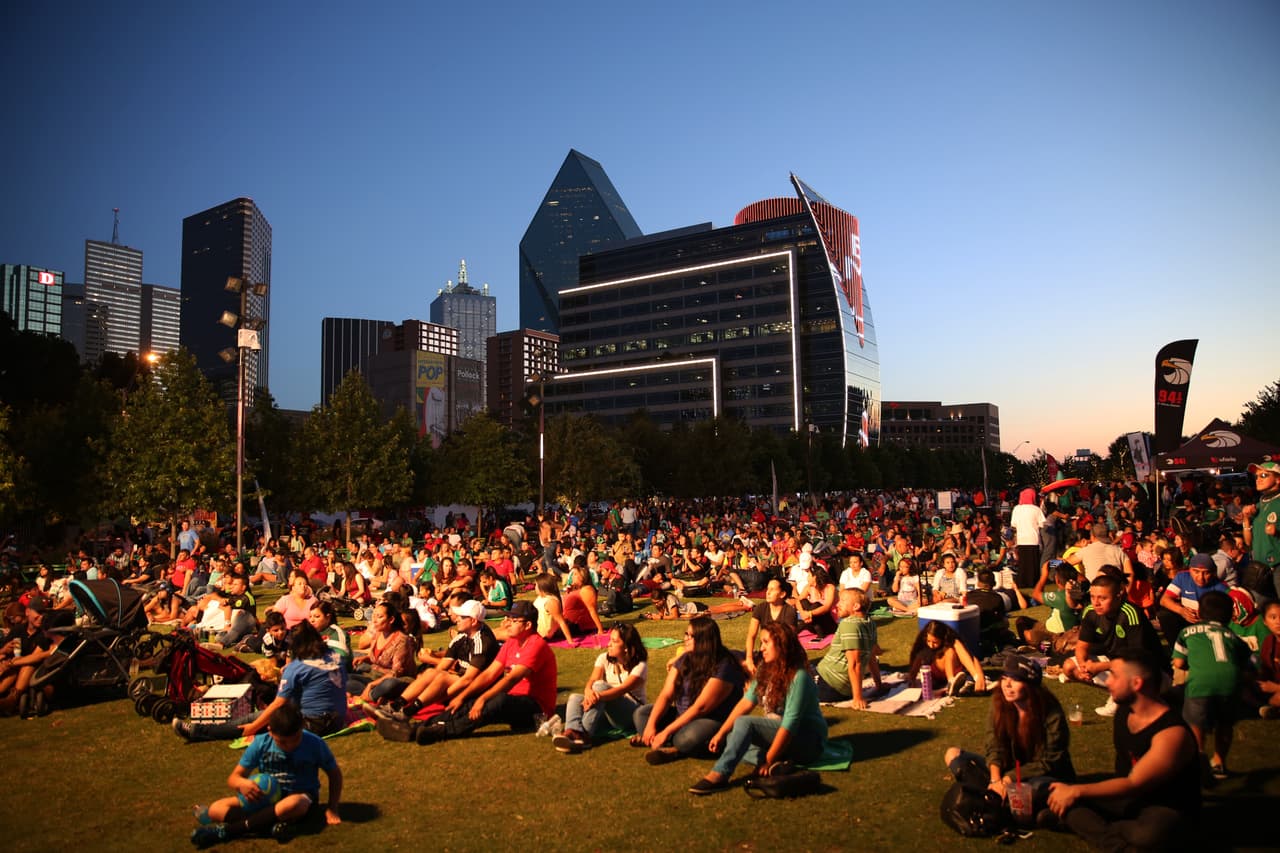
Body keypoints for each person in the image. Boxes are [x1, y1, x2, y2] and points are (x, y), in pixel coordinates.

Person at [1047, 650, 1200, 851]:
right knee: (1058, 805)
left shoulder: (1171, 733)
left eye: (1115, 676)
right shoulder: (1125, 712)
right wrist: (1073, 792)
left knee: (1148, 834)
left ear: (1136, 683)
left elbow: (1134, 783)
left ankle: (1112, 836)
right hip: (1126, 798)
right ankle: (1116, 835)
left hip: (1164, 806)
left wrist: (1077, 790)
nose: (1108, 682)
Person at [690, 621, 827, 794]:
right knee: (733, 737)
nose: (761, 648)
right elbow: (746, 703)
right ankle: (783, 762)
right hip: (782, 733)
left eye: (765, 642)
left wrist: (767, 759)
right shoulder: (766, 670)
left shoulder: (799, 676)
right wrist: (721, 733)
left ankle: (719, 774)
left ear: (781, 643)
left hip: (808, 740)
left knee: (744, 725)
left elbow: (790, 725)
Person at [189, 703, 342, 847]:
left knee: (294, 805)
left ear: (302, 727)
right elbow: (234, 778)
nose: (289, 746)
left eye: (295, 739)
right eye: (282, 742)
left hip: (300, 798)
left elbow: (334, 774)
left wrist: (332, 808)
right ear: (270, 731)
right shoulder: (261, 743)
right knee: (216, 808)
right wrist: (243, 784)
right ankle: (272, 825)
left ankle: (227, 831)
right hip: (264, 800)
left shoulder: (314, 743)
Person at [944, 654, 1075, 821]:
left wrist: (1007, 780)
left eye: (1015, 680)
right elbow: (994, 745)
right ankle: (997, 798)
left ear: (1030, 685)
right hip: (1007, 772)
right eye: (1004, 678)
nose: (1007, 685)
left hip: (1042, 776)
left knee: (1030, 792)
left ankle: (996, 802)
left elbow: (1049, 761)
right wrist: (995, 779)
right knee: (953, 755)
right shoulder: (1000, 703)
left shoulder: (1049, 711)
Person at [175, 621, 349, 743]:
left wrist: (252, 727)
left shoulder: (297, 668)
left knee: (255, 718)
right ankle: (201, 728)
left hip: (313, 723)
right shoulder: (335, 657)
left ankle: (198, 731)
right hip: (337, 718)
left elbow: (278, 704)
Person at [415, 599, 557, 743]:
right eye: (508, 618)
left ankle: (444, 731)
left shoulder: (536, 646)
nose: (507, 623)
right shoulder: (512, 642)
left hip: (537, 709)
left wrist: (483, 699)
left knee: (498, 700)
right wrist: (462, 697)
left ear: (527, 625)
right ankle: (421, 727)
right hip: (513, 699)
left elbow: (511, 679)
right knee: (469, 702)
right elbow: (489, 674)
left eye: (514, 620)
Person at [634, 615, 746, 764]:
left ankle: (676, 748)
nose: (685, 638)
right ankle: (668, 741)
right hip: (681, 716)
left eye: (690, 635)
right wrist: (650, 725)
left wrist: (667, 731)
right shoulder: (684, 659)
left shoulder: (724, 666)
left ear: (703, 640)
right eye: (686, 634)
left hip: (710, 720)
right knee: (641, 714)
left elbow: (701, 708)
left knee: (687, 738)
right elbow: (666, 695)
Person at [1171, 590, 1251, 780]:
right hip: (1230, 682)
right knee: (1225, 724)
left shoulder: (1187, 632)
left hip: (1200, 682)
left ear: (1200, 612)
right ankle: (1219, 763)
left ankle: (1199, 758)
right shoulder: (1232, 635)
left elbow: (1179, 663)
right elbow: (1246, 663)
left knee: (1194, 722)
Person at [1061, 575, 1165, 718]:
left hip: (1148, 671)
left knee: (1129, 670)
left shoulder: (1130, 613)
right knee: (1069, 667)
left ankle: (1127, 698)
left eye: (1102, 598)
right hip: (1115, 664)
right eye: (1092, 597)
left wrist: (1099, 667)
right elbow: (1081, 647)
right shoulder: (1090, 612)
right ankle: (1117, 692)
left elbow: (1136, 660)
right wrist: (1083, 665)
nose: (1096, 603)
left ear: (1118, 596)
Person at [388, 598, 499, 719]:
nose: (457, 619)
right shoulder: (462, 636)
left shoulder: (482, 642)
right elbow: (443, 665)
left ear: (473, 621)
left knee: (443, 678)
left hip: (481, 687)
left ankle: (408, 711)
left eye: (462, 617)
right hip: (463, 678)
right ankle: (397, 704)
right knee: (431, 672)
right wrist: (429, 682)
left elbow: (469, 678)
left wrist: (444, 695)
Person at [553, 623, 649, 753]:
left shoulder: (640, 666)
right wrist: (588, 692)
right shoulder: (603, 658)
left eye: (614, 641)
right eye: (610, 639)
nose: (609, 644)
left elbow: (623, 689)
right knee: (575, 697)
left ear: (626, 647)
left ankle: (584, 736)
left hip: (630, 713)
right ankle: (572, 731)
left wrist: (597, 696)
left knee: (600, 686)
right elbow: (592, 680)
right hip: (607, 708)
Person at [816, 588, 884, 707]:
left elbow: (856, 663)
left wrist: (858, 698)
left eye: (842, 601)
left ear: (856, 606)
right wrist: (878, 686)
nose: (837, 604)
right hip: (837, 685)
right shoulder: (869, 623)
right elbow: (870, 657)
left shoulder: (850, 625)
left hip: (831, 686)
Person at [346, 601, 416, 702]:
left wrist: (372, 684)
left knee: (389, 684)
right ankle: (376, 695)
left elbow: (396, 673)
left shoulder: (402, 640)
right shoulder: (378, 633)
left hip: (395, 680)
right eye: (374, 616)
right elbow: (375, 658)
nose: (374, 620)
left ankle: (370, 695)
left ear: (391, 619)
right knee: (344, 678)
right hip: (374, 675)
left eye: (379, 617)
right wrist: (364, 659)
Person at [1157, 552, 1230, 647]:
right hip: (1186, 620)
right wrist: (1182, 611)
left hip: (1209, 625)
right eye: (1196, 571)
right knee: (1165, 615)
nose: (1200, 577)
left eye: (1206, 572)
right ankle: (1176, 648)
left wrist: (1207, 617)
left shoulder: (1221, 588)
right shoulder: (1182, 577)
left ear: (1213, 573)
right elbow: (1164, 600)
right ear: (1190, 570)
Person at [907, 621, 986, 697]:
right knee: (924, 654)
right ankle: (952, 683)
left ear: (943, 638)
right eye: (928, 641)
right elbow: (916, 662)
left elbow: (971, 658)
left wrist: (979, 677)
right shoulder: (923, 647)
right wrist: (912, 679)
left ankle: (952, 682)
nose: (931, 645)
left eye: (935, 642)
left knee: (953, 648)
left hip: (952, 670)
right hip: (934, 674)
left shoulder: (952, 640)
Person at [1242, 461, 1280, 599]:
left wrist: (1277, 533)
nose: (1258, 479)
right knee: (1264, 611)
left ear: (1278, 479)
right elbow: (1248, 542)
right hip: (1259, 568)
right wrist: (1246, 519)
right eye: (1256, 476)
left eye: (1264, 475)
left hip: (1277, 566)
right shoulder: (1258, 506)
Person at [743, 578, 797, 675]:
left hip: (783, 656)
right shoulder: (760, 608)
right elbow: (751, 635)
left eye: (772, 589)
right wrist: (749, 659)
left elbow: (789, 641)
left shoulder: (789, 612)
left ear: (782, 594)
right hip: (765, 653)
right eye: (768, 589)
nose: (768, 592)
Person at [1010, 488, 1046, 588]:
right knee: (1033, 563)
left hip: (1021, 539)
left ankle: (1022, 582)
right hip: (1033, 539)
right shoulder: (1036, 509)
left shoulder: (1017, 509)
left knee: (1023, 563)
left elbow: (1013, 524)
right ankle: (1033, 582)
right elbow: (1042, 524)